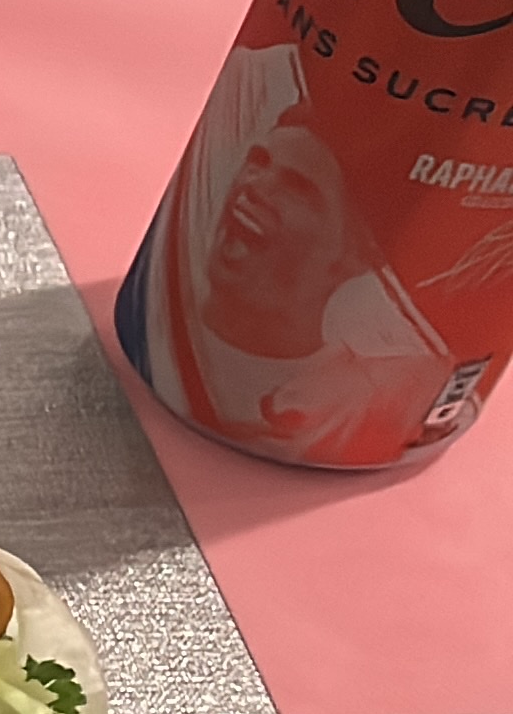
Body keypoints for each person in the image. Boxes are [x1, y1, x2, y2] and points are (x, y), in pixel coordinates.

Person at [130, 42, 459, 465]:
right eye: (258, 162)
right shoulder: (157, 310)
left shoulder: (376, 403)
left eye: (296, 187)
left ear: (357, 257)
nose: (255, 186)